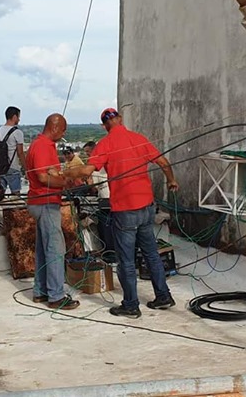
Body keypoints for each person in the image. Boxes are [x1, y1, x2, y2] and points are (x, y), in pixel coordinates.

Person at [62, 107, 178, 318]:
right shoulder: (138, 138)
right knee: (151, 253)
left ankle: (131, 305)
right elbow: (163, 162)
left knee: (125, 260)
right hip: (146, 207)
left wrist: (67, 173)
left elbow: (88, 171)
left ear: (105, 125)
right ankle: (163, 296)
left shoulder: (105, 144)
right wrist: (171, 181)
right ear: (120, 119)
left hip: (125, 209)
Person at [25, 113, 79, 310]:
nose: (63, 134)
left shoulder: (42, 145)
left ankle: (41, 291)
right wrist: (66, 182)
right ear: (55, 127)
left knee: (43, 248)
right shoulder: (42, 146)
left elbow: (49, 174)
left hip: (41, 202)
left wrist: (60, 179)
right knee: (55, 249)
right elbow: (42, 177)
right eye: (63, 130)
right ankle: (56, 296)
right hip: (45, 203)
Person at [0, 106, 26, 194]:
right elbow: (20, 153)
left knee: (0, 194)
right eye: (18, 117)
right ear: (15, 117)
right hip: (12, 167)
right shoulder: (17, 132)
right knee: (16, 196)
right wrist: (26, 169)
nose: (19, 120)